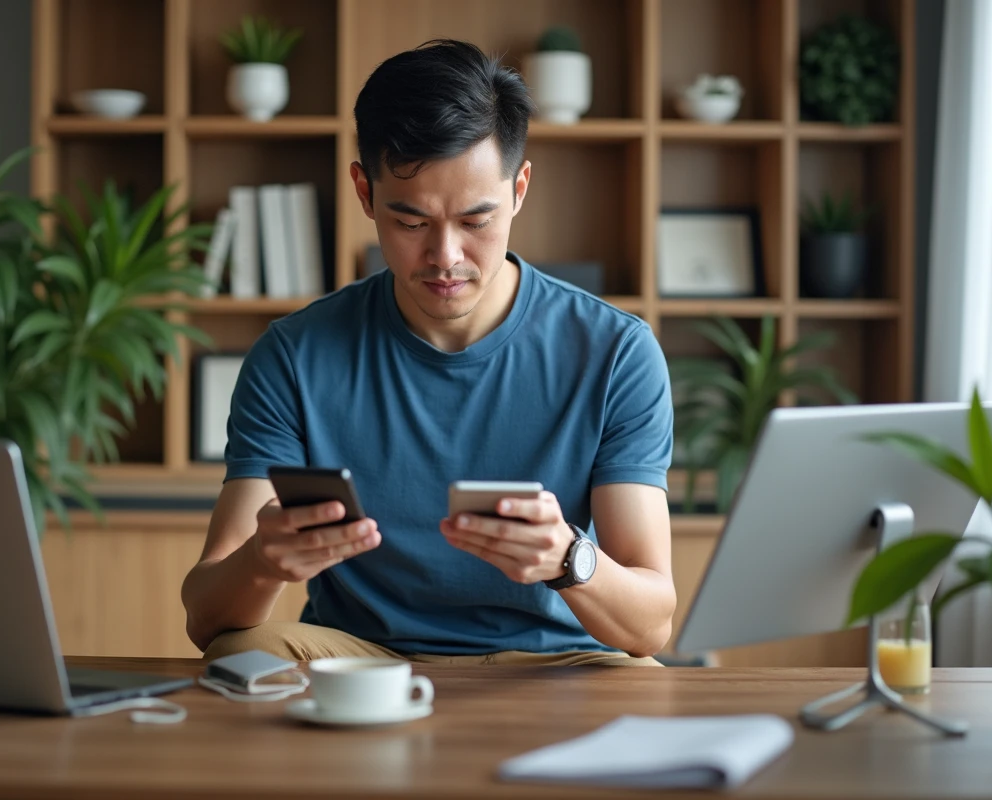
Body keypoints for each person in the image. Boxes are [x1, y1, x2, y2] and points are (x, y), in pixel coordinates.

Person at [181, 39, 675, 667]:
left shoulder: (615, 353)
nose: (445, 257)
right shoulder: (294, 356)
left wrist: (569, 559)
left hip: (558, 662)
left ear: (519, 188)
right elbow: (206, 617)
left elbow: (650, 624)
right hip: (359, 659)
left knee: (641, 678)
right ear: (365, 193)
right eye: (411, 222)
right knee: (239, 654)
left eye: (476, 221)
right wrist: (262, 561)